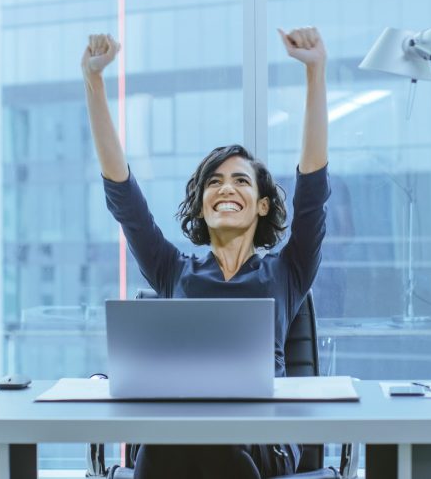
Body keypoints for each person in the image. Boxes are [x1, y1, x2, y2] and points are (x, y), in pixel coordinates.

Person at [82, 26, 329, 479]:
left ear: (263, 204)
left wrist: (316, 73)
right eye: (213, 181)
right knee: (167, 447)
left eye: (240, 180)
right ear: (202, 204)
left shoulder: (287, 272)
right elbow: (124, 196)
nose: (225, 188)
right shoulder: (173, 269)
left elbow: (313, 191)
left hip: (262, 439)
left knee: (213, 449)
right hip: (178, 431)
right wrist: (94, 81)